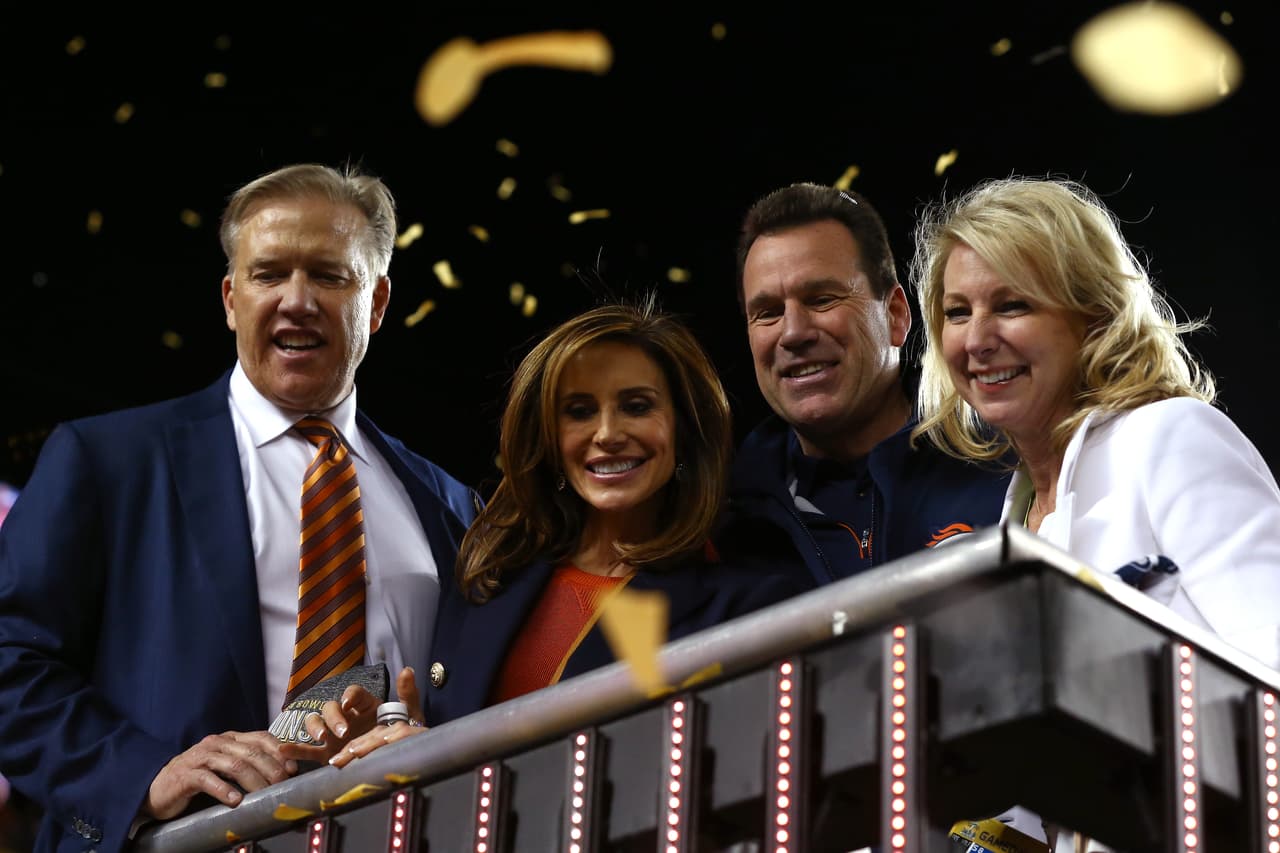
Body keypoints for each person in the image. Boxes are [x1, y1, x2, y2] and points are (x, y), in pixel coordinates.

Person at [0, 163, 478, 852]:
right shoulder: (110, 461)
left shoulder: (453, 506)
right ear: (231, 298)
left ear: (376, 302)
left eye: (328, 274)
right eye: (268, 273)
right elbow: (11, 659)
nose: (296, 299)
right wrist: (144, 775)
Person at [291, 299, 807, 763]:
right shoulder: (489, 575)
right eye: (579, 412)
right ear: (549, 440)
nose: (608, 434)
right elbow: (444, 742)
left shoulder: (751, 599)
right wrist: (376, 745)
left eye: (637, 406)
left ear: (685, 429)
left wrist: (444, 756)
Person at [911, 175, 1280, 675]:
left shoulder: (1169, 438)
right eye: (957, 312)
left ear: (1094, 316)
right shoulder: (1012, 518)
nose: (976, 340)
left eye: (1012, 305)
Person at [719, 182, 1010, 584]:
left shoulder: (1006, 452)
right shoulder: (728, 523)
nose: (793, 333)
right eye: (767, 312)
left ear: (895, 315)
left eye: (821, 299)